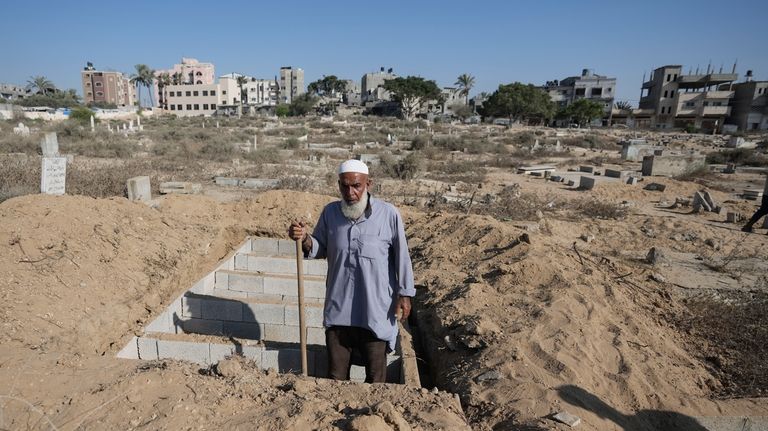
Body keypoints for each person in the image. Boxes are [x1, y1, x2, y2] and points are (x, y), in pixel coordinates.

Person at [288, 159, 415, 383]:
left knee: (376, 381)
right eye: (345, 186)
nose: (351, 192)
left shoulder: (388, 215)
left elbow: (402, 257)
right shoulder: (330, 213)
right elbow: (319, 247)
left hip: (375, 311)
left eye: (356, 186)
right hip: (339, 310)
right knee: (336, 379)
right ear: (339, 185)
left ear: (368, 184)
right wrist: (305, 239)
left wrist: (405, 294)